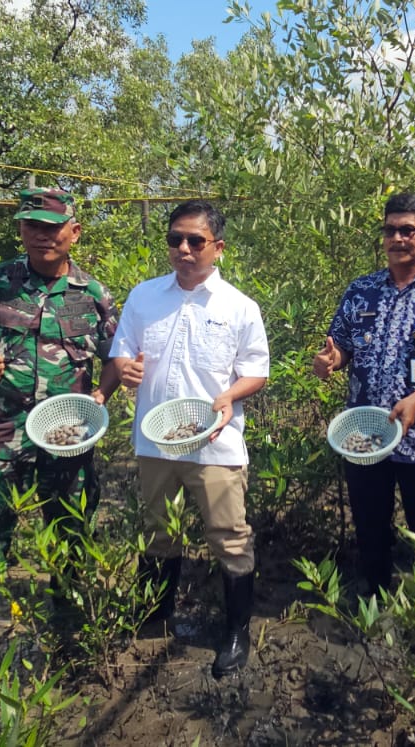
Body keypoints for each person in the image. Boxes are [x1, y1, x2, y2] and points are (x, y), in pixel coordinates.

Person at [0, 187, 120, 674]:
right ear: (20, 230)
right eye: (31, 225)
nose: (41, 235)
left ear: (73, 233)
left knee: (70, 537)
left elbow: (114, 360)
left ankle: (71, 650)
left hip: (68, 439)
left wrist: (102, 396)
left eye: (52, 226)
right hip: (1, 433)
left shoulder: (94, 295)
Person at [107, 200, 270, 678]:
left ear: (217, 248)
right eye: (175, 239)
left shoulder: (239, 307)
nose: (183, 248)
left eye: (195, 241)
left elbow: (256, 371)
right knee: (158, 532)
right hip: (154, 442)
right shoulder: (143, 297)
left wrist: (229, 396)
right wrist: (126, 369)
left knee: (229, 537)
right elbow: (121, 355)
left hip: (215, 444)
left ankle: (236, 633)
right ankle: (155, 619)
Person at [312, 192, 415, 595]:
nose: (398, 238)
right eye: (390, 230)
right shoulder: (361, 290)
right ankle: (375, 596)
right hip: (365, 431)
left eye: (408, 230)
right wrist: (331, 361)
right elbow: (343, 347)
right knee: (370, 519)